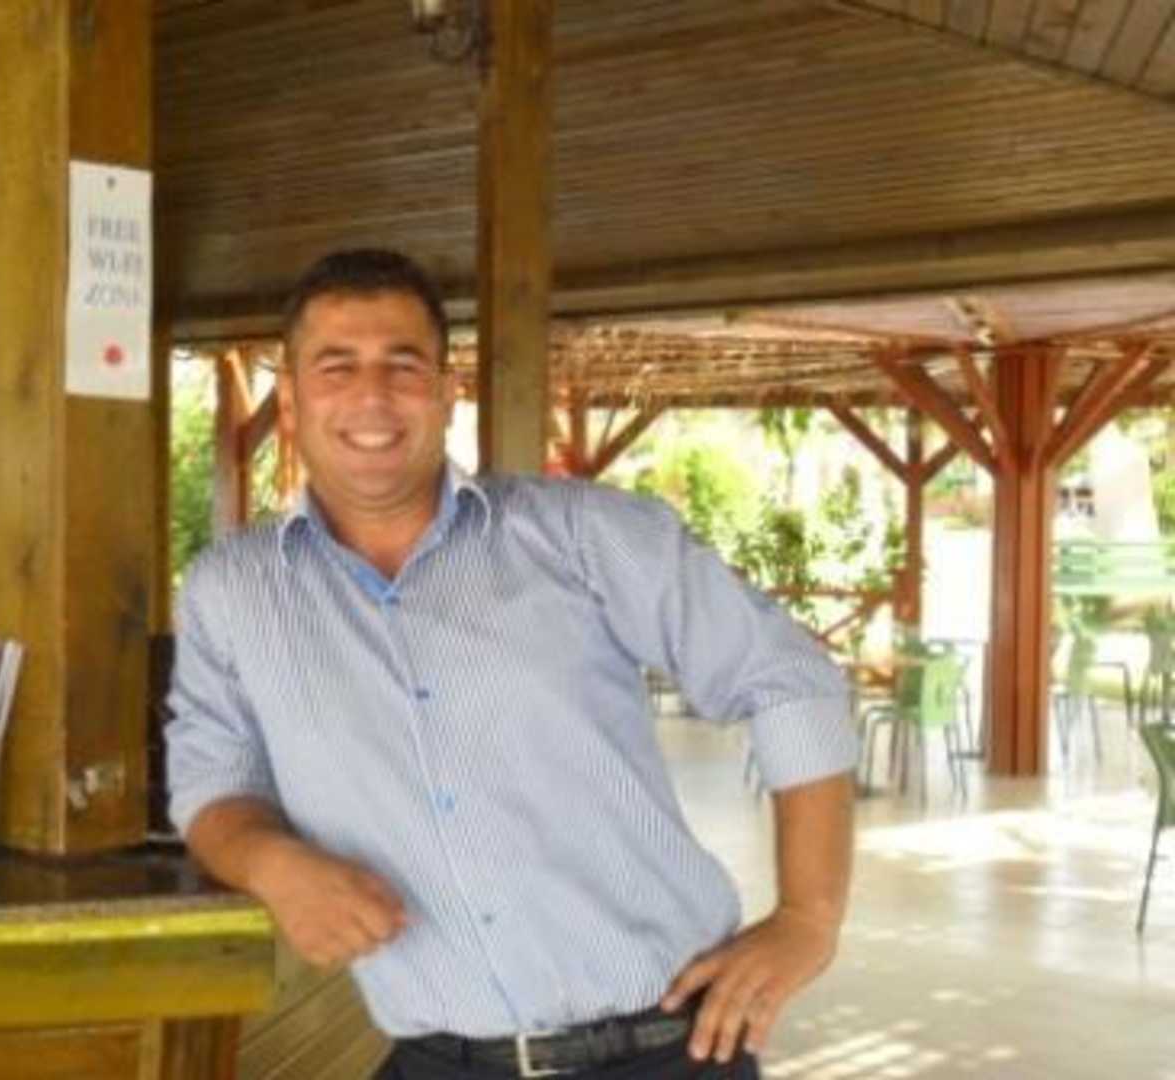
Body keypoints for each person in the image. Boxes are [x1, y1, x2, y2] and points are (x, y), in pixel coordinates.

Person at [166, 248, 857, 1079]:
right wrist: (272, 865)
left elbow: (790, 679)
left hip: (665, 1048)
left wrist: (809, 918)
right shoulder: (232, 592)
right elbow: (211, 783)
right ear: (294, 399)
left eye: (403, 364)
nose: (372, 395)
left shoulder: (585, 536)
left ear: (447, 392)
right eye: (336, 366)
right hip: (436, 1060)